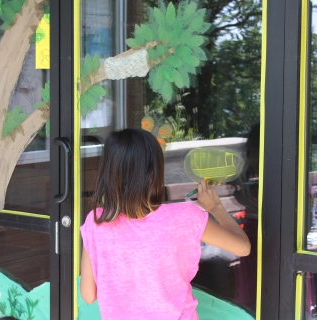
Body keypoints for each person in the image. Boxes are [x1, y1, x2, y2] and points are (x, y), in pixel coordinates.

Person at [79, 128, 250, 320]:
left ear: (109, 174)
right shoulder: (185, 217)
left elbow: (88, 294)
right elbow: (242, 247)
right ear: (153, 175)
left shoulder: (96, 221)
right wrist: (216, 207)